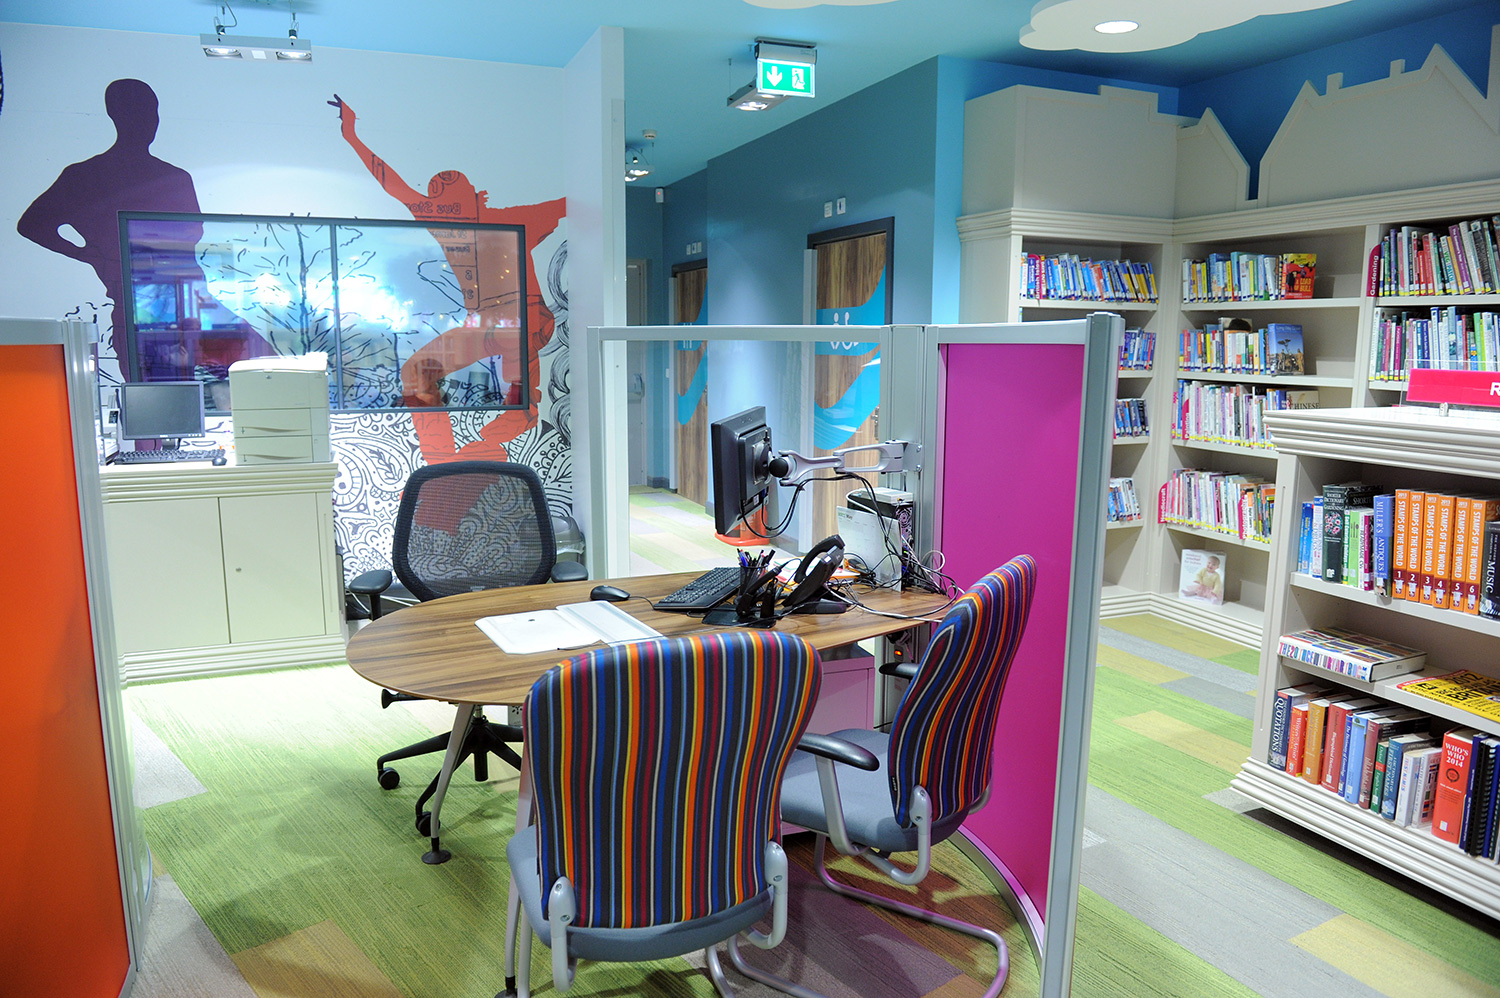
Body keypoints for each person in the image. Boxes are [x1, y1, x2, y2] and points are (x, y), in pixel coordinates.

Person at [330, 94, 565, 460]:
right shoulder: (443, 224)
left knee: (518, 392)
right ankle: (440, 460)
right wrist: (352, 135)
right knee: (417, 370)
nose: (453, 218)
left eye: (456, 207)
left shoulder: (510, 219)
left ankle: (515, 416)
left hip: (523, 317)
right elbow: (393, 185)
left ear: (476, 199)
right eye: (444, 210)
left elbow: (569, 205)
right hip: (482, 323)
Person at [18, 79, 203, 363]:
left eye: (152, 112)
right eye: (140, 113)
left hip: (188, 308)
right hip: (137, 311)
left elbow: (192, 236)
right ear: (117, 116)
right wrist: (86, 254)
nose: (149, 122)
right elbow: (32, 224)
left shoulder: (175, 178)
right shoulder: (84, 176)